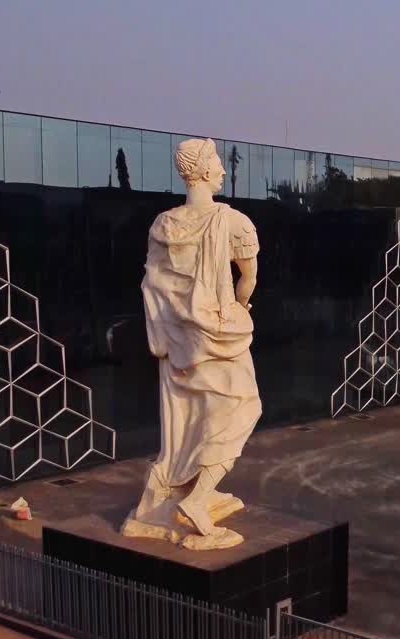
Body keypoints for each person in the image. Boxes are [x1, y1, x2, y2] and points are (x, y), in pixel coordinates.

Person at [122, 138, 262, 549]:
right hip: (221, 336)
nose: (222, 170)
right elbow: (248, 279)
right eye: (217, 163)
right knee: (243, 409)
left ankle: (187, 489)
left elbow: (155, 284)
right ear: (202, 171)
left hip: (179, 341)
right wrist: (240, 308)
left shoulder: (161, 225)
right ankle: (197, 500)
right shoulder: (233, 221)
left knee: (189, 418)